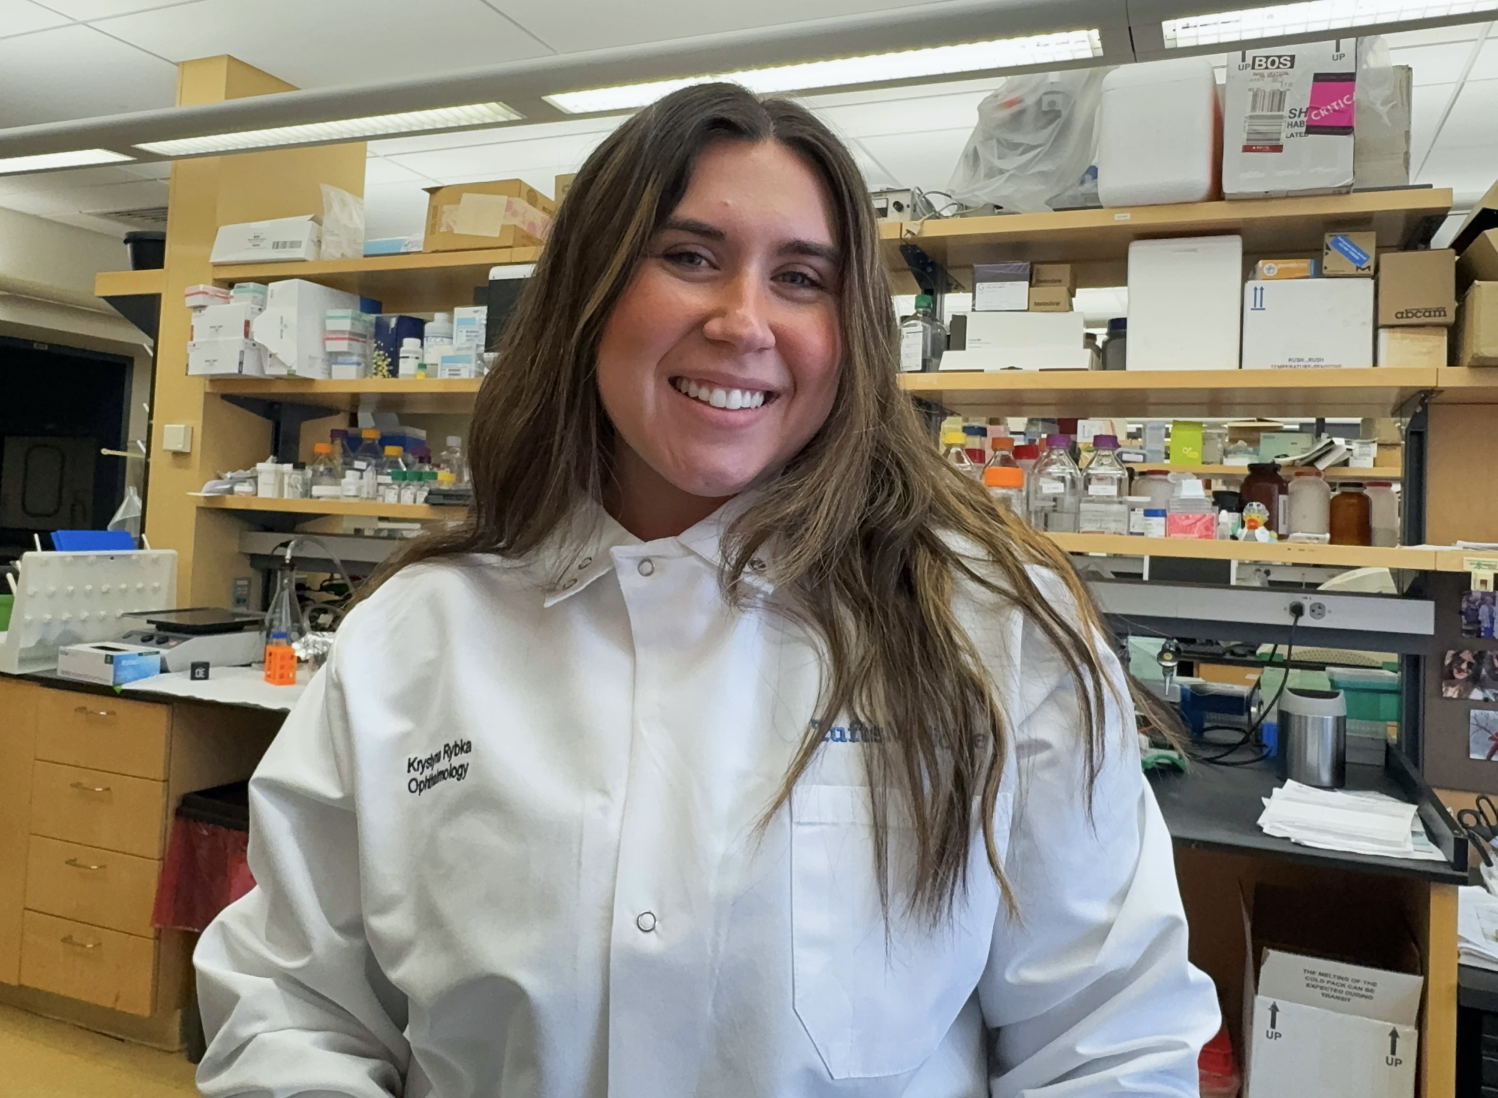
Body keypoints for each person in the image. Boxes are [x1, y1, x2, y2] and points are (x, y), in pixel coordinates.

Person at [195, 83, 1218, 1096]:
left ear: (850, 332)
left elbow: (1107, 1047)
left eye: (802, 278)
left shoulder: (990, 630)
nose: (743, 321)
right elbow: (294, 1007)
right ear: (587, 294)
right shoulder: (414, 638)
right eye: (689, 258)